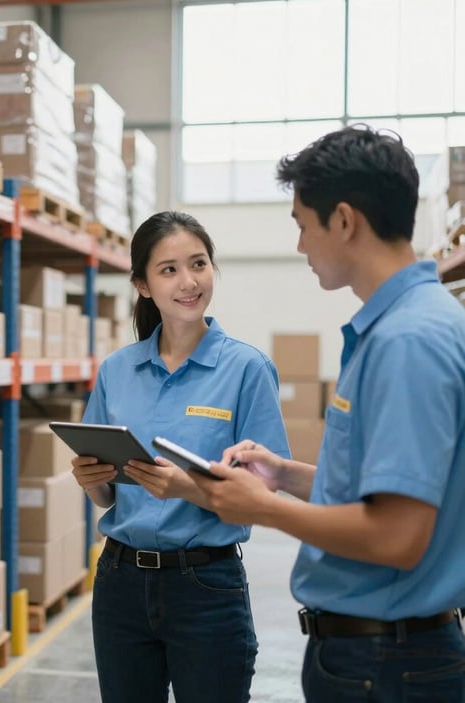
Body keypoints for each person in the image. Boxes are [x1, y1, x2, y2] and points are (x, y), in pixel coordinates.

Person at [193, 125, 465, 702]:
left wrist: (262, 509)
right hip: (381, 655)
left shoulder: (407, 340)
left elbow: (396, 535)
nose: (299, 245)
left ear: (343, 221)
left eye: (301, 224)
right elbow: (390, 493)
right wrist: (286, 477)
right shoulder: (404, 325)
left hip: (384, 664)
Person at [71, 210, 291, 703]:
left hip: (207, 586)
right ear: (143, 285)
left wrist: (185, 488)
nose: (189, 282)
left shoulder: (246, 369)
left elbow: (266, 495)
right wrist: (90, 478)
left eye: (199, 264)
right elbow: (108, 499)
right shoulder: (117, 370)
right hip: (120, 583)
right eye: (169, 269)